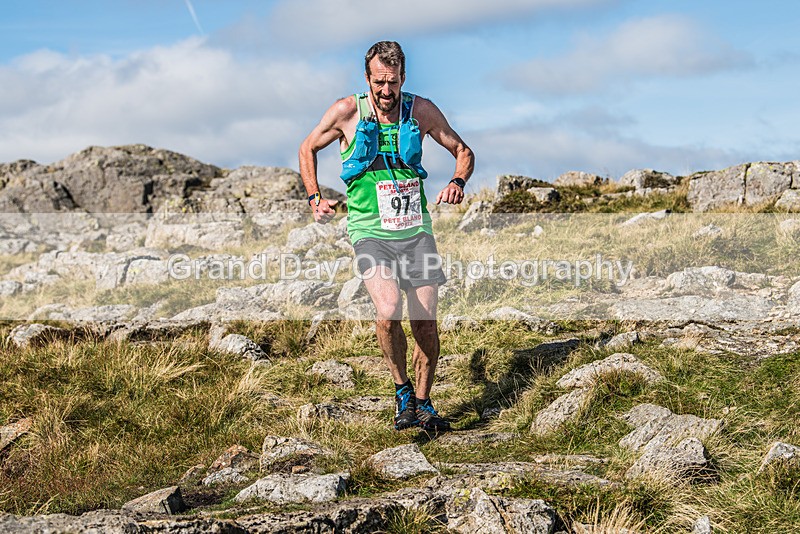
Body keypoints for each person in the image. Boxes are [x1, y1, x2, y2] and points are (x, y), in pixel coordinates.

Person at [298, 41, 474, 432]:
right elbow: (307, 147)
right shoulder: (347, 111)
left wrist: (458, 181)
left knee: (425, 322)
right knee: (389, 309)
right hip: (369, 232)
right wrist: (314, 197)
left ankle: (424, 404)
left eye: (393, 83)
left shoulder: (421, 110)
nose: (386, 91)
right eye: (379, 82)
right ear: (368, 78)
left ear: (403, 78)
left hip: (415, 231)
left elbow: (463, 150)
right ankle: (402, 392)